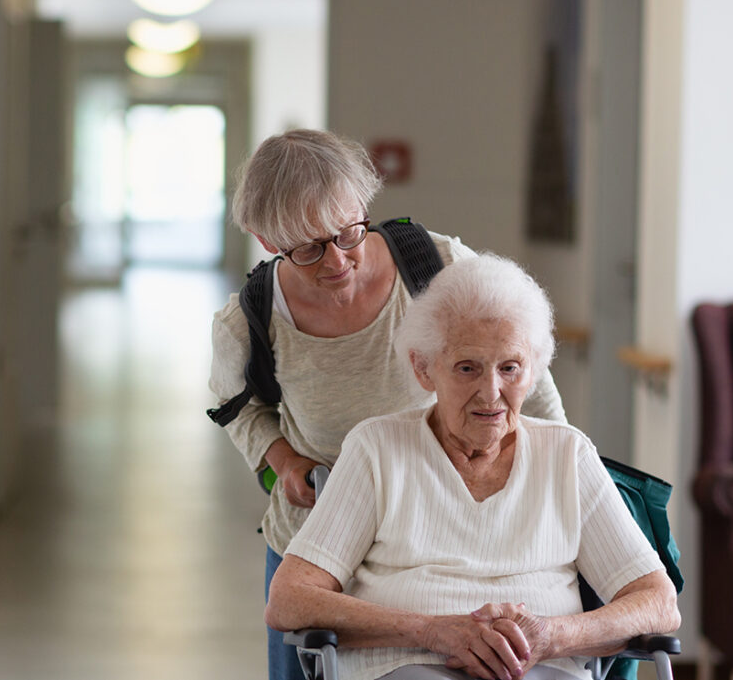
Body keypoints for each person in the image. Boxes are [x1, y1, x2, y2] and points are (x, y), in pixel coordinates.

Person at [208, 129, 568, 680]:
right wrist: (281, 461)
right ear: (264, 240)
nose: (336, 261)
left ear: (364, 206)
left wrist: (558, 465)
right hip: (319, 531)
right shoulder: (251, 317)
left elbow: (521, 368)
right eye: (306, 248)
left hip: (429, 528)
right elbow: (236, 404)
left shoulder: (439, 267)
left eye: (348, 232)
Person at [263, 255, 680, 680]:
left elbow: (658, 601)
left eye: (509, 368)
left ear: (532, 371)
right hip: (408, 666)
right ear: (424, 368)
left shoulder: (568, 455)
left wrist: (551, 636)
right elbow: (290, 598)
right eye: (467, 368)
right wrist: (431, 631)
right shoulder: (377, 448)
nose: (491, 393)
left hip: (545, 668)